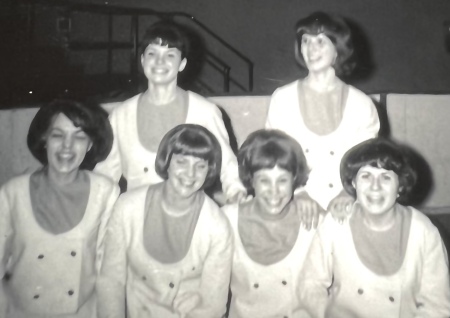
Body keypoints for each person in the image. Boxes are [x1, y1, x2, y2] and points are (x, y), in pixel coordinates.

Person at [94, 20, 245, 203]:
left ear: (182, 64)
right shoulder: (121, 115)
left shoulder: (205, 111)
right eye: (152, 53)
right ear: (142, 60)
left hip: (190, 216)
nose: (159, 61)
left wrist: (236, 193)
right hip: (136, 219)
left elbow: (227, 166)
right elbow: (105, 176)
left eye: (170, 55)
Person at [298, 138, 450, 317]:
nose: (375, 187)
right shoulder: (335, 224)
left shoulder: (423, 231)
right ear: (353, 183)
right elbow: (310, 285)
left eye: (385, 177)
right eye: (366, 176)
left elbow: (437, 305)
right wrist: (327, 312)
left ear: (400, 185)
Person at [97, 124, 233, 318]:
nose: (190, 174)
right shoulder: (128, 207)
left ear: (209, 170)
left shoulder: (217, 226)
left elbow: (214, 304)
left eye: (200, 166)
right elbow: (111, 281)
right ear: (166, 161)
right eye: (182, 162)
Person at [0, 99, 119, 318]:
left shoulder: (105, 192)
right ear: (44, 140)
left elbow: (109, 270)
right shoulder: (12, 193)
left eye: (79, 136)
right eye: (57, 135)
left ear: (91, 144)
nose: (67, 146)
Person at [266, 11, 380, 215]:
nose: (311, 49)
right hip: (293, 200)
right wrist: (298, 193)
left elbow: (366, 161)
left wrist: (349, 192)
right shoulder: (282, 98)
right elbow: (276, 155)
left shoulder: (361, 103)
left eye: (320, 41)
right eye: (305, 41)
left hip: (347, 203)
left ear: (338, 49)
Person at [222, 129, 321, 318]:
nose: (274, 191)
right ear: (251, 180)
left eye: (282, 180)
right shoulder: (228, 219)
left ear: (294, 179)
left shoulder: (314, 221)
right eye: (264, 181)